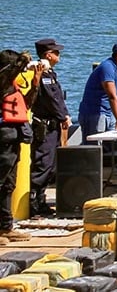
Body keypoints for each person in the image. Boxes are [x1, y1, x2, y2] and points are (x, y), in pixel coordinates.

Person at [0, 49, 38, 242]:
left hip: (14, 139)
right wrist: (21, 62)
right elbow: (6, 76)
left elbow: (26, 104)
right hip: (3, 139)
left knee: (9, 184)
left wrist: (35, 83)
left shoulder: (12, 85)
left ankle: (6, 226)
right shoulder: (2, 83)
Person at [29, 39, 68, 216]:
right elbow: (51, 100)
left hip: (53, 126)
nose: (58, 55)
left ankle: (41, 200)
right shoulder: (44, 76)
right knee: (43, 163)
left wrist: (64, 115)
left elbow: (58, 99)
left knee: (50, 165)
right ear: (48, 55)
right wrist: (63, 116)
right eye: (56, 52)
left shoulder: (50, 74)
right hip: (45, 126)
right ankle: (33, 202)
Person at [79, 41, 117, 140]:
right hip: (95, 113)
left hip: (110, 112)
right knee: (95, 146)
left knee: (114, 144)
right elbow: (112, 96)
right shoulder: (107, 67)